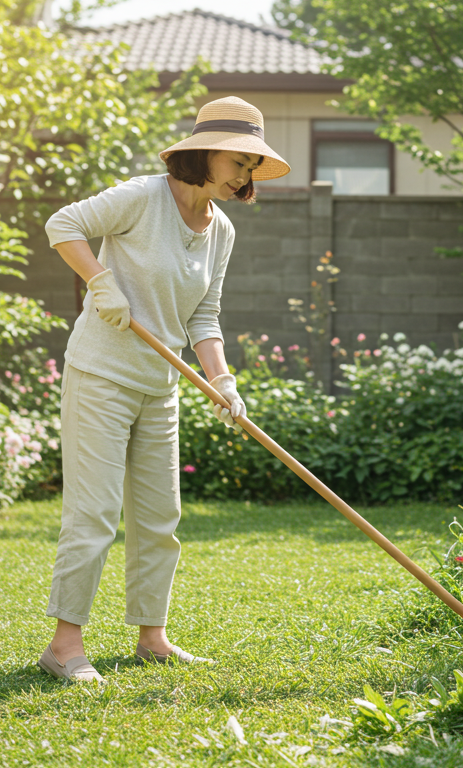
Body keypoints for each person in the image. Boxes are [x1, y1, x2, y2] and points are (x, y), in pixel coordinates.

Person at [37, 97, 290, 682]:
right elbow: (63, 225)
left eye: (252, 166)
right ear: (205, 153)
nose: (244, 176)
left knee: (159, 516)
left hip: (160, 384)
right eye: (238, 161)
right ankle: (64, 645)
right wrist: (100, 282)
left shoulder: (221, 230)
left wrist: (222, 380)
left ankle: (152, 638)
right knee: (95, 512)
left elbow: (205, 314)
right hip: (101, 375)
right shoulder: (142, 197)